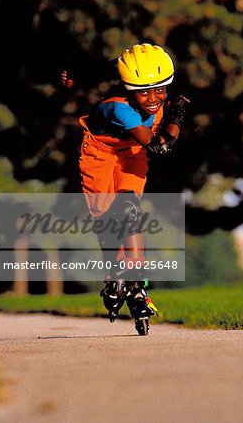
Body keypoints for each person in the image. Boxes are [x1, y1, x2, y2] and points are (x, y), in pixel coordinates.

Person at [75, 43, 189, 335]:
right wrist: (176, 119)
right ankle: (113, 279)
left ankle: (138, 284)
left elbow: (107, 65)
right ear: (129, 88)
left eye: (160, 90)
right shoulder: (120, 108)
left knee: (129, 208)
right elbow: (159, 146)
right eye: (144, 92)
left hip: (131, 153)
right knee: (107, 222)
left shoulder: (143, 82)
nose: (153, 99)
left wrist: (76, 74)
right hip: (99, 154)